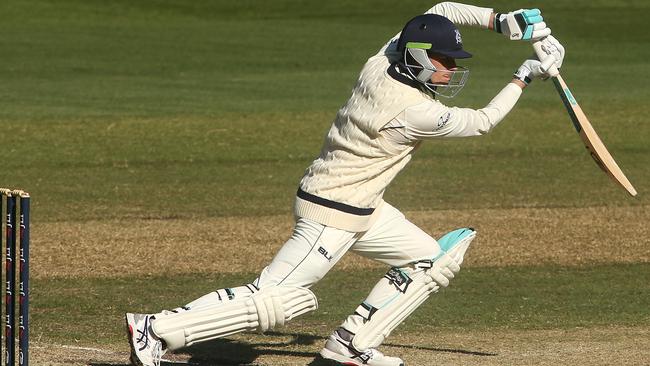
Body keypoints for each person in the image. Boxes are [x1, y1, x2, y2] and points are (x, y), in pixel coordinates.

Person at [126, 2, 564, 366]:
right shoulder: (412, 112)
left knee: (431, 261)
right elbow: (483, 122)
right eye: (443, 61)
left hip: (363, 206)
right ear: (416, 57)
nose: (450, 70)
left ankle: (350, 345)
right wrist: (524, 75)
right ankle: (157, 329)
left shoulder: (382, 60)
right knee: (278, 299)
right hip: (332, 212)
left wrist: (501, 20)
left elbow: (441, 10)